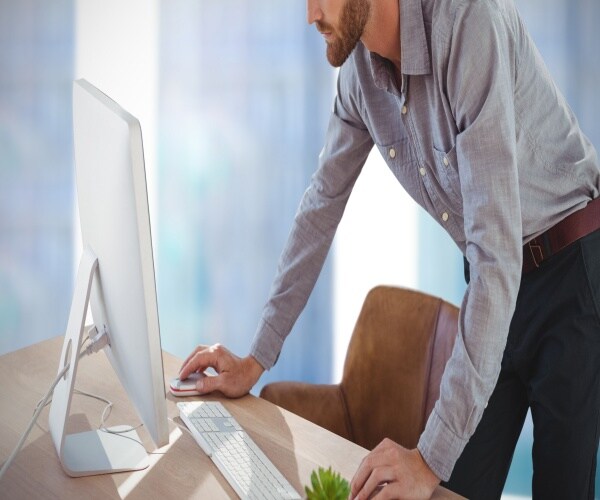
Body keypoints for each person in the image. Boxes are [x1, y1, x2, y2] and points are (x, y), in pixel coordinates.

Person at [179, 0, 600, 497]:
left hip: (571, 269)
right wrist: (255, 359)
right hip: (495, 285)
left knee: (559, 487)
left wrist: (426, 459)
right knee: (453, 488)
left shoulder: (469, 25)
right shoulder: (360, 76)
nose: (309, 15)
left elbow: (496, 251)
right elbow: (320, 208)